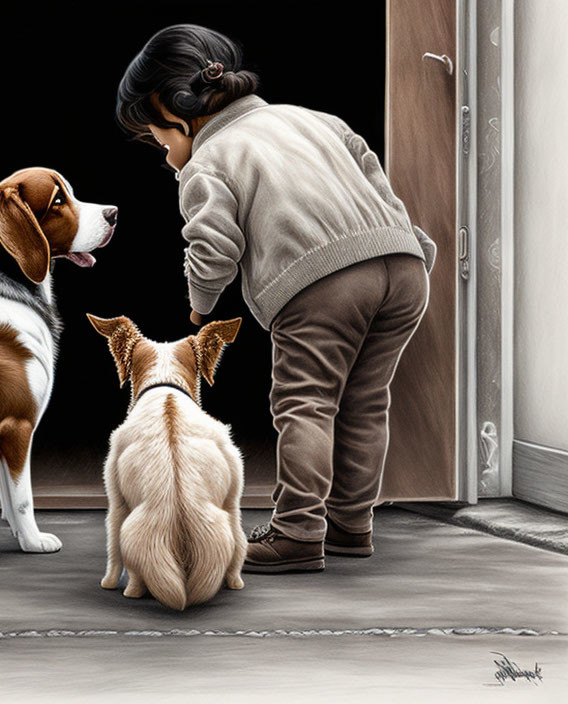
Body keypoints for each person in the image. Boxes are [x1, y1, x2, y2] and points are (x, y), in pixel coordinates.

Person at [116, 24, 436, 574]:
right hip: (403, 268)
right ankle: (351, 526)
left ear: (177, 112)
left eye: (158, 140)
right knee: (365, 402)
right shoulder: (318, 119)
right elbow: (380, 188)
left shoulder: (208, 161)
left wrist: (199, 307)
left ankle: (296, 534)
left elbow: (213, 244)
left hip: (321, 282)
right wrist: (417, 251)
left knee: (306, 403)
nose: (163, 154)